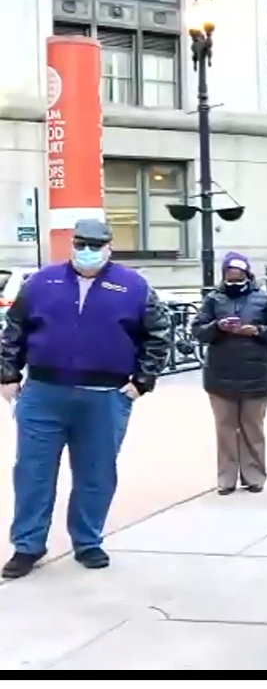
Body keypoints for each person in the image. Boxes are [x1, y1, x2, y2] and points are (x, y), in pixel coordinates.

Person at [0, 219, 171, 579]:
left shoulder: (133, 286)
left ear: (109, 246)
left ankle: (88, 540)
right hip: (44, 394)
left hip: (105, 397)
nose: (88, 251)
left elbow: (158, 334)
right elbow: (14, 329)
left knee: (95, 473)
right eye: (81, 243)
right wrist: (8, 374)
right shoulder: (41, 283)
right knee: (32, 472)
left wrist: (142, 381)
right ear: (72, 244)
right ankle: (27, 545)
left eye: (96, 244)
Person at [191, 252, 267, 495]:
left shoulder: (262, 298)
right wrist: (218, 327)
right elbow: (198, 331)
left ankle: (254, 477)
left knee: (253, 428)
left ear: (247, 274)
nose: (234, 280)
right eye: (230, 277)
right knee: (225, 429)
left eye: (238, 276)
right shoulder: (213, 299)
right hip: (220, 375)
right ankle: (226, 479)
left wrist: (256, 330)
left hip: (256, 374)